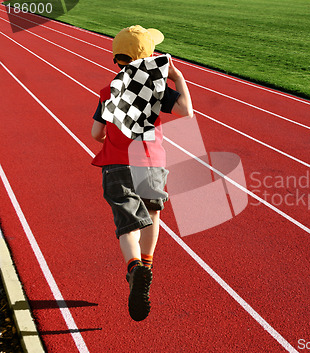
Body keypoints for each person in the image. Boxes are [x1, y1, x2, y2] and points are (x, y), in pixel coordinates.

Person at [90, 25, 193, 321]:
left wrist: (109, 137)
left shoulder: (108, 91)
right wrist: (178, 78)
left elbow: (96, 132)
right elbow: (186, 111)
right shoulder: (157, 90)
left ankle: (134, 267)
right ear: (149, 57)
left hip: (117, 164)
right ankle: (147, 265)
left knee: (127, 222)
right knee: (152, 214)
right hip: (151, 163)